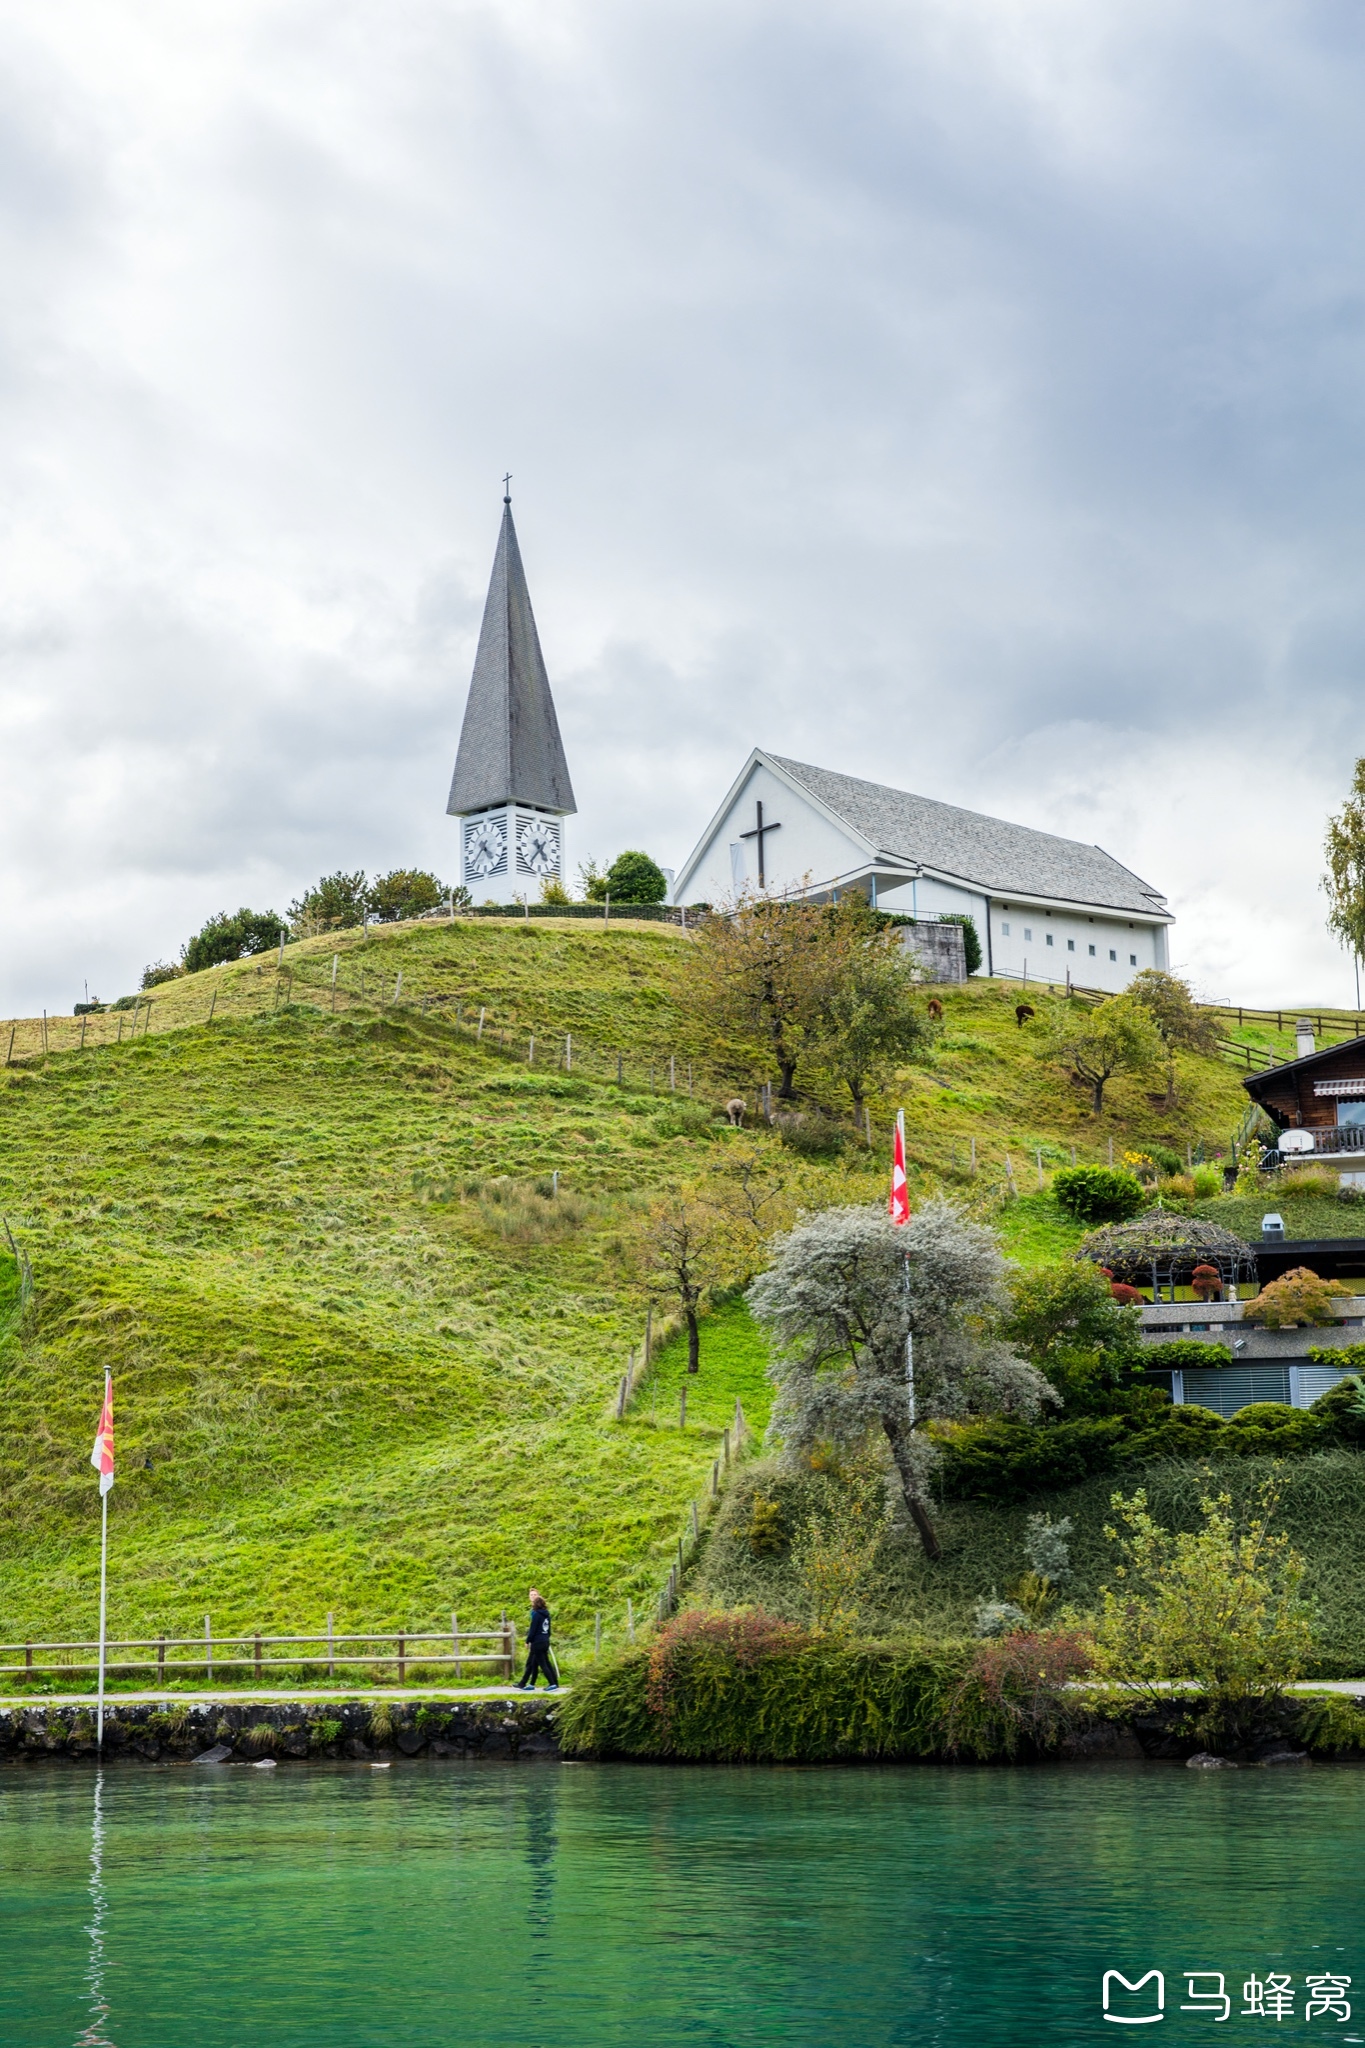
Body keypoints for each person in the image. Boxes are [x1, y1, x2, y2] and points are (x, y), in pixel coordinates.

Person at [514, 1589, 558, 1690]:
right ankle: (531, 1684)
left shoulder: (536, 1614)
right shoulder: (546, 1614)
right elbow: (549, 1630)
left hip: (537, 1642)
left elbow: (532, 1630)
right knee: (534, 1663)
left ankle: (552, 1684)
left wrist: (528, 1641)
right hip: (545, 1640)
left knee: (542, 1664)